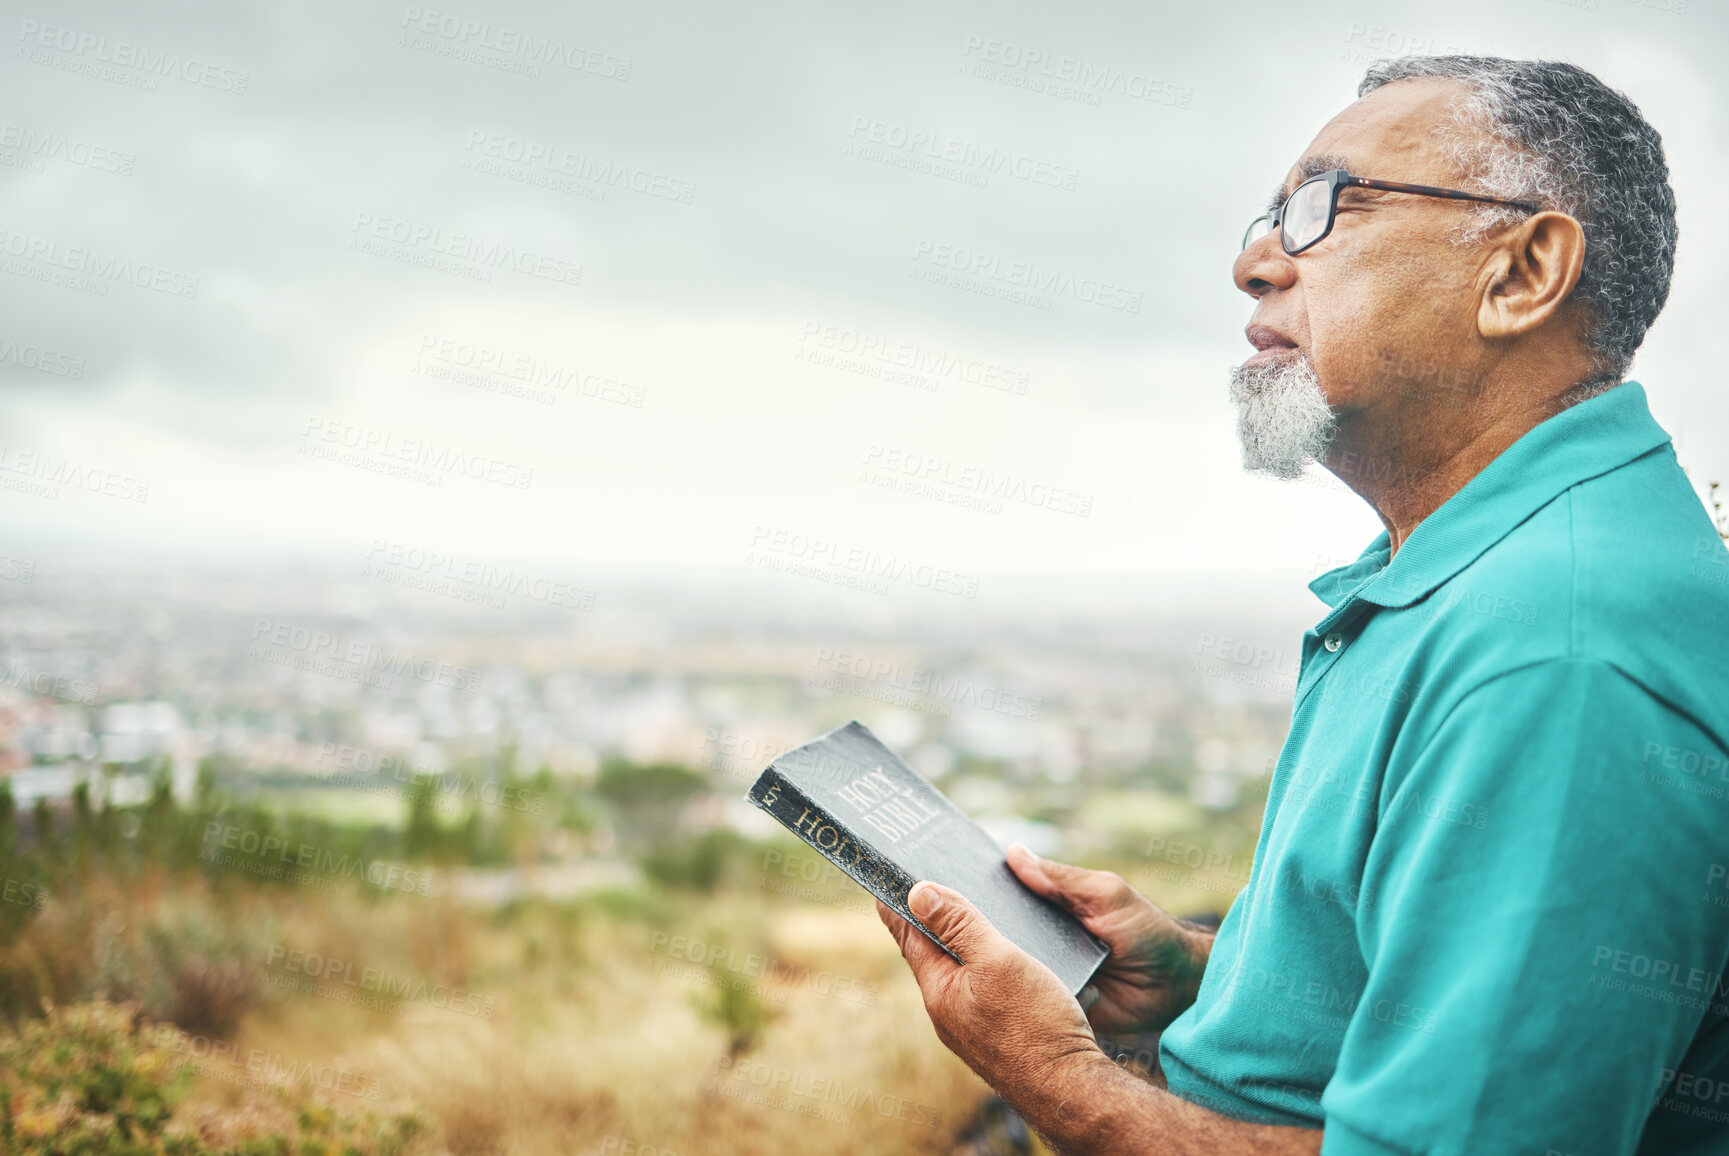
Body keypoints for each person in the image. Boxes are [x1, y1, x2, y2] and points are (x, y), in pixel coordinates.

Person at [877, 54, 1729, 1154]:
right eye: (1270, 214)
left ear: (1521, 274)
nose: (1252, 262)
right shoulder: (1482, 576)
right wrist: (1198, 977)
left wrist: (1060, 1081)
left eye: (1329, 204)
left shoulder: (1559, 655)